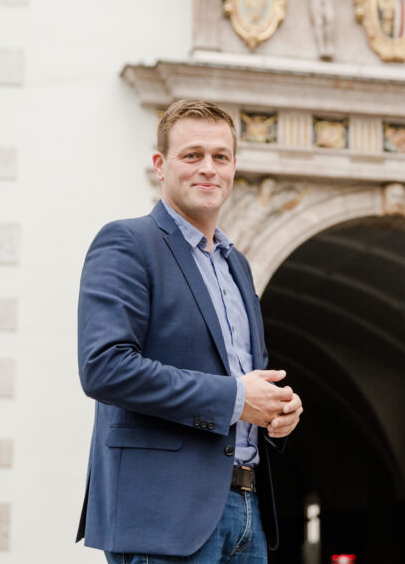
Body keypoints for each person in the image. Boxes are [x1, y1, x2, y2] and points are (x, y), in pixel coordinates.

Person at [76, 99, 303, 563]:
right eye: (192, 155)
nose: (208, 168)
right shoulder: (127, 243)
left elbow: (240, 377)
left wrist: (278, 412)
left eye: (220, 157)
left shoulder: (236, 264)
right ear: (160, 165)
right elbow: (104, 368)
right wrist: (237, 398)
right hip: (162, 517)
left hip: (247, 510)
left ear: (234, 167)